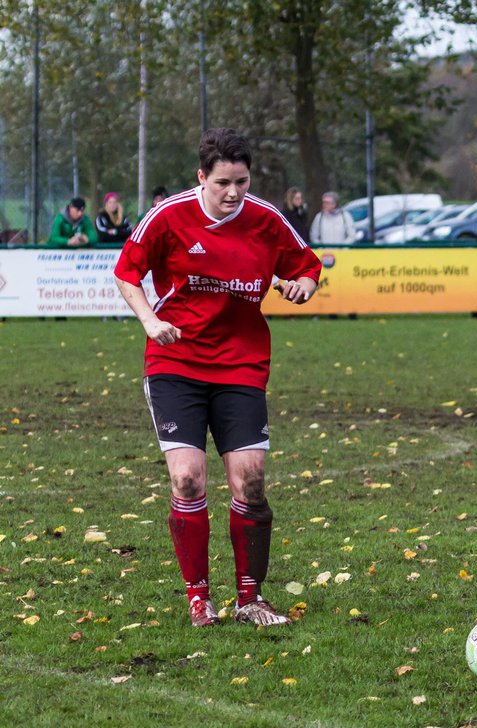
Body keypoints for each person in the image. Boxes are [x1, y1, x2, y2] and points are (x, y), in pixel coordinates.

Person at [113, 127, 321, 628]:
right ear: (201, 177)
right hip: (176, 363)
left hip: (241, 365)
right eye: (223, 182)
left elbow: (308, 267)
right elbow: (126, 272)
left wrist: (302, 286)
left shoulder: (265, 219)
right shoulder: (168, 216)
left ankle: (250, 599)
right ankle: (198, 598)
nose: (233, 193)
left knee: (249, 481)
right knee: (187, 479)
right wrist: (150, 320)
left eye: (242, 182)